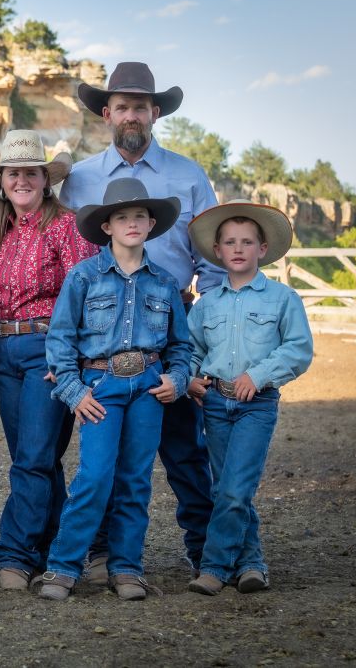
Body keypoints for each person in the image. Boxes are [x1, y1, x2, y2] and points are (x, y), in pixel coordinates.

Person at [60, 61, 222, 580]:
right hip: (99, 334)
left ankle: (208, 552)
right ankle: (106, 553)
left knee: (185, 449)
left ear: (156, 113)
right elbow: (67, 258)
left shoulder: (188, 175)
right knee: (101, 459)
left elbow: (213, 266)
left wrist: (201, 348)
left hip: (172, 321)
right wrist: (66, 353)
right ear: (107, 113)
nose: (132, 115)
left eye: (141, 106)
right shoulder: (80, 178)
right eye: (122, 106)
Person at [38, 178, 191, 602]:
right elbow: (60, 339)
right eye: (122, 217)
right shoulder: (84, 276)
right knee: (94, 476)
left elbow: (182, 345)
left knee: (136, 480)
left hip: (147, 387)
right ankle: (63, 566)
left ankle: (126, 567)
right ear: (106, 226)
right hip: (100, 386)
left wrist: (176, 380)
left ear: (151, 223)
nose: (131, 223)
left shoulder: (163, 282)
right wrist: (73, 391)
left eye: (139, 216)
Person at [0, 130, 98, 590]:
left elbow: (85, 293)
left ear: (46, 180)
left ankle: (13, 554)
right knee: (40, 459)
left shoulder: (66, 226)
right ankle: (57, 548)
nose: (21, 180)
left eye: (30, 173)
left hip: (48, 352)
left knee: (32, 459)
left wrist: (68, 362)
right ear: (2, 181)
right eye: (13, 174)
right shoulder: (0, 236)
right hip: (6, 354)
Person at [185, 201, 313, 595]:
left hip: (257, 406)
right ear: (218, 252)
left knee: (236, 489)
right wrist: (190, 378)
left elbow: (298, 349)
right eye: (229, 242)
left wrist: (258, 375)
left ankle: (215, 567)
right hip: (216, 406)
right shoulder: (207, 304)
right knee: (227, 488)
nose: (238, 249)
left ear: (262, 249)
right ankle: (251, 563)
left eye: (247, 242)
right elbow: (190, 348)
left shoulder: (281, 299)